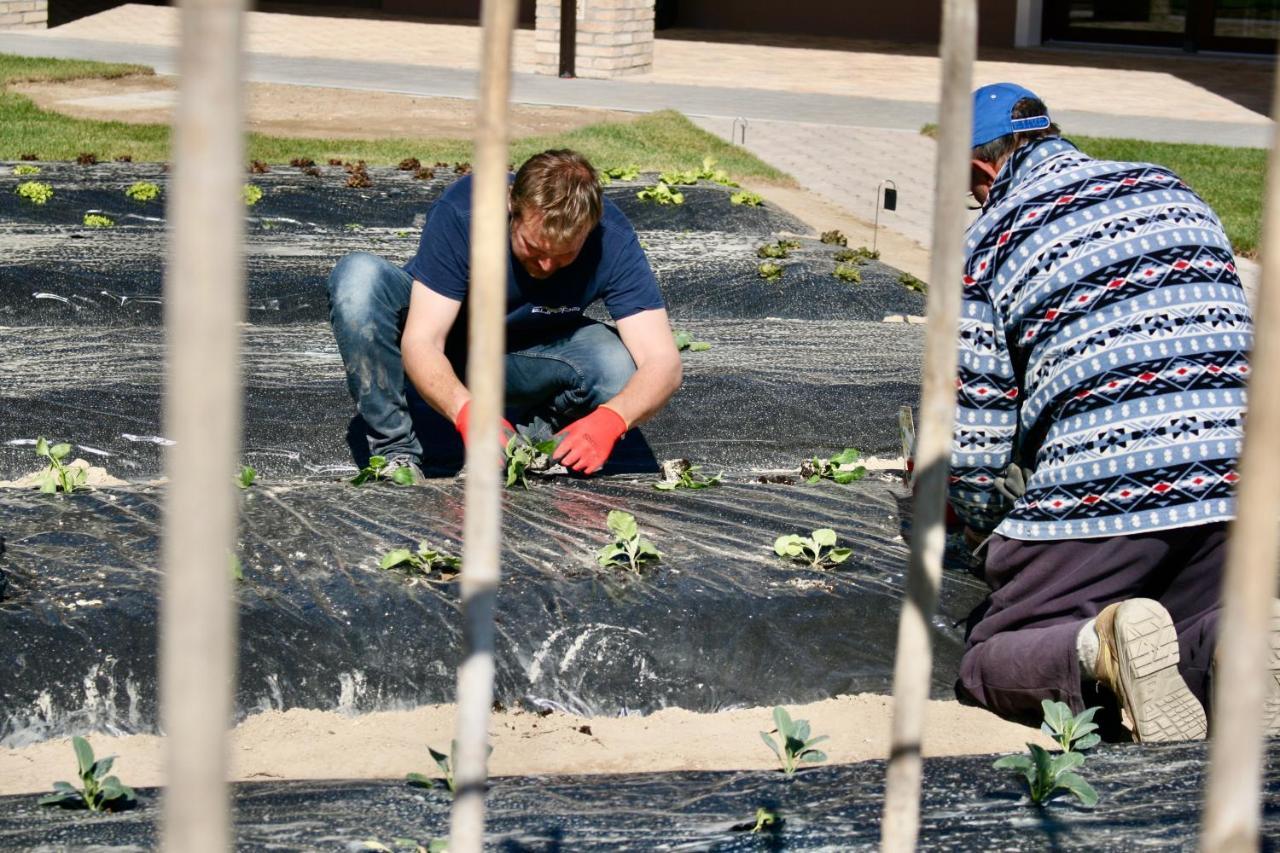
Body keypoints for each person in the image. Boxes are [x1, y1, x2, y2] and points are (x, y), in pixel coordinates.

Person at [950, 83, 1269, 742]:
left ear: (982, 167)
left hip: (1114, 483)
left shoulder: (987, 240)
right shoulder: (1173, 188)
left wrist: (982, 533)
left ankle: (1100, 650)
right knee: (1183, 616)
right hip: (1245, 480)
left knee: (989, 655)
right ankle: (1236, 637)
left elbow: (977, 447)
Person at [327, 149, 682, 480]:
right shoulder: (466, 211)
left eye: (563, 256)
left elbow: (663, 362)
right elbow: (422, 340)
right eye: (533, 247)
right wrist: (466, 411)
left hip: (523, 355)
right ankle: (396, 455)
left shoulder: (612, 240)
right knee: (358, 278)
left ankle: (527, 448)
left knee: (617, 367)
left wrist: (612, 419)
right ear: (512, 204)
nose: (545, 265)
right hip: (446, 342)